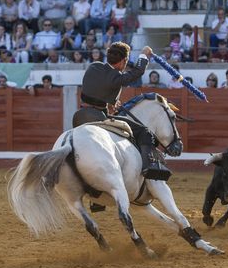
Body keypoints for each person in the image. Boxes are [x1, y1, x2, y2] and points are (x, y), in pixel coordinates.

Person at [73, 42, 172, 181]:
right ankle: (150, 166)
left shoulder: (94, 66)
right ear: (123, 61)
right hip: (99, 117)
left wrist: (110, 101)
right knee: (144, 132)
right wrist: (143, 54)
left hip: (79, 115)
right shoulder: (116, 77)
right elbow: (138, 71)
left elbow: (97, 88)